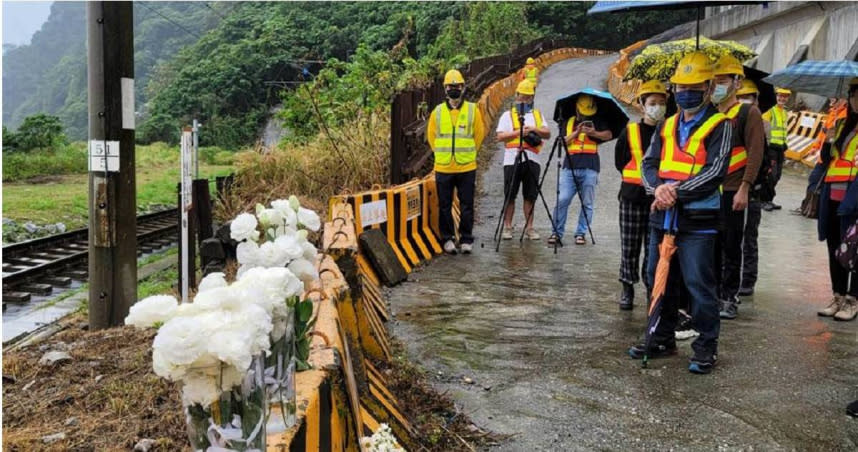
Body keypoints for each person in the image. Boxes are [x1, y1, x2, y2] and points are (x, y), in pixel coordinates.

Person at [627, 52, 733, 374]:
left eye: (695, 85)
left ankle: (705, 347)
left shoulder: (721, 125)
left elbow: (716, 171)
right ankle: (661, 336)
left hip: (698, 220)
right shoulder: (668, 124)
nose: (687, 92)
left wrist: (675, 192)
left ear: (709, 86)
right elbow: (648, 163)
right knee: (657, 279)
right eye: (681, 86)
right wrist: (657, 188)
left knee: (698, 283)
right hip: (663, 216)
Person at [709, 55, 765, 320]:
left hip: (733, 189)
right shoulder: (711, 113)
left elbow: (755, 152)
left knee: (732, 244)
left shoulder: (747, 112)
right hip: (709, 190)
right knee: (711, 244)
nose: (717, 86)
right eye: (714, 81)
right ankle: (712, 292)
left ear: (736, 82)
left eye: (722, 81)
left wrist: (745, 187)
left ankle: (729, 296)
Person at [613, 80, 666, 310]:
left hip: (658, 200)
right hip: (632, 197)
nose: (657, 107)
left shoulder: (670, 131)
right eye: (652, 103)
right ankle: (627, 286)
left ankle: (650, 288)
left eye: (662, 103)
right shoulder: (631, 131)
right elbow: (620, 161)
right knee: (630, 246)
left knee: (654, 248)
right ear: (642, 105)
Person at [427, 69, 485, 255]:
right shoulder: (437, 112)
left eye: (457, 86)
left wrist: (468, 154)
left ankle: (466, 238)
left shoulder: (472, 110)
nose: (454, 89)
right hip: (444, 166)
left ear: (462, 87)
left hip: (466, 165)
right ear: (445, 88)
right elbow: (431, 137)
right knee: (444, 204)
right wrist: (442, 154)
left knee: (467, 203)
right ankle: (448, 238)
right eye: (450, 86)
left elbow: (479, 135)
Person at [816, 77, 858, 321]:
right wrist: (829, 141)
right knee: (834, 246)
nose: (855, 100)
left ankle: (853, 299)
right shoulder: (843, 125)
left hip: (854, 197)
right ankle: (838, 294)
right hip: (833, 194)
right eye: (853, 95)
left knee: (854, 247)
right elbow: (826, 160)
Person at [549, 94, 613, 245]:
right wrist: (576, 133)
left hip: (590, 166)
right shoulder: (569, 121)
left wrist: (594, 133)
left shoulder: (597, 121)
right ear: (577, 109)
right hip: (569, 166)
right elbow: (561, 141)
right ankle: (556, 232)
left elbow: (609, 135)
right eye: (583, 112)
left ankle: (581, 233)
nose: (585, 115)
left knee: (587, 202)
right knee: (562, 199)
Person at [495, 79, 551, 240]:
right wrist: (519, 133)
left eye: (528, 97)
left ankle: (530, 227)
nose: (525, 100)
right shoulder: (507, 115)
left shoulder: (537, 115)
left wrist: (533, 129)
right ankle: (507, 227)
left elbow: (547, 133)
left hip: (532, 159)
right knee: (510, 195)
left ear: (532, 98)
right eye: (522, 97)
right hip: (512, 159)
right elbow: (500, 136)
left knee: (530, 195)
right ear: (517, 95)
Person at [736, 79, 766, 297]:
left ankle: (747, 279)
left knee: (748, 238)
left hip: (752, 191)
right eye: (741, 98)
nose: (744, 102)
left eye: (749, 97)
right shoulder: (732, 121)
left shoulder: (762, 126)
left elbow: (767, 159)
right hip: (730, 189)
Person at [761, 87, 791, 210]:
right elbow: (765, 129)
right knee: (770, 175)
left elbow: (783, 131)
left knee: (777, 176)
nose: (782, 98)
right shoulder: (770, 111)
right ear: (776, 96)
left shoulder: (784, 112)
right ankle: (763, 200)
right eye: (780, 95)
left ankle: (769, 199)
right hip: (771, 148)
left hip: (780, 148)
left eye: (785, 96)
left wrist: (784, 145)